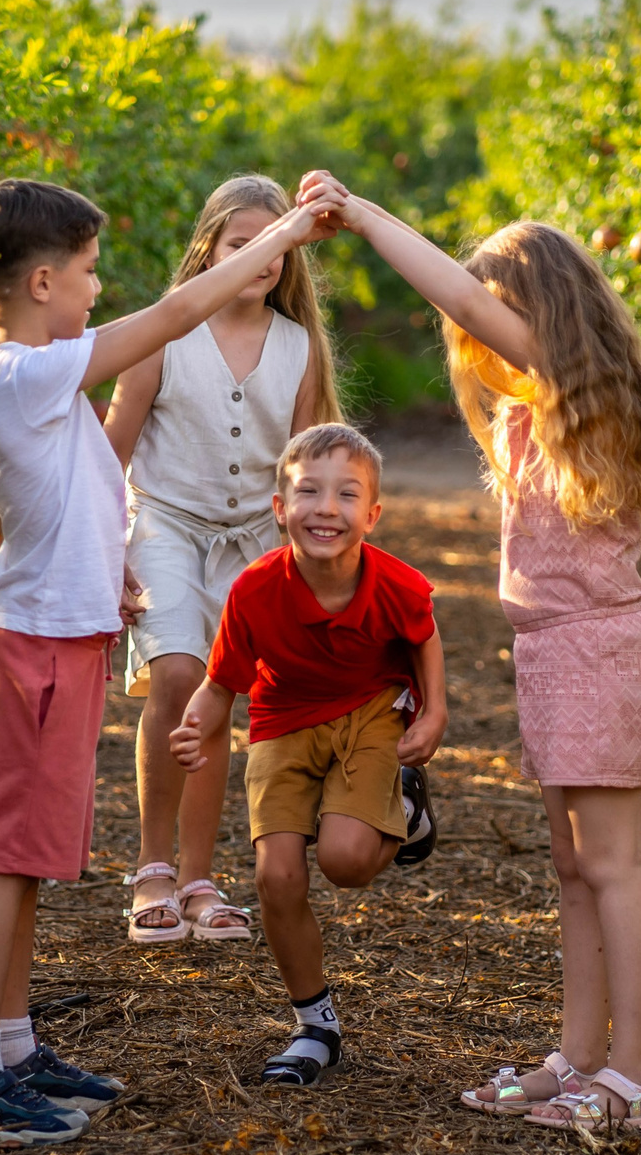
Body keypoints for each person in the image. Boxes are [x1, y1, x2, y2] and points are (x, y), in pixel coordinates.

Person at [0, 176, 342, 1147]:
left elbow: (82, 482)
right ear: (40, 282)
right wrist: (287, 230)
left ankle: (14, 1046)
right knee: (2, 865)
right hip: (32, 643)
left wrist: (105, 563)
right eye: (84, 272)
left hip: (65, 631)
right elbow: (178, 310)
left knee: (28, 867)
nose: (94, 286)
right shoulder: (26, 372)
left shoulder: (37, 370)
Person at [303, 170, 641, 1134]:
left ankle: (636, 1079)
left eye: (495, 319)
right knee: (573, 869)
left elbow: (462, 295)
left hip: (598, 651)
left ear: (540, 312)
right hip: (556, 654)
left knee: (613, 866)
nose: (474, 343)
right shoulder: (539, 409)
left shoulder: (574, 390)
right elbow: (474, 310)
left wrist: (362, 214)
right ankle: (580, 1054)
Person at [102, 176, 347, 946]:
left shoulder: (299, 347)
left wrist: (315, 568)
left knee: (220, 696)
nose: (257, 257)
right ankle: (152, 868)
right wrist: (107, 553)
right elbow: (113, 450)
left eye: (271, 244)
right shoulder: (165, 335)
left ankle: (201, 878)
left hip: (252, 542)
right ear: (210, 246)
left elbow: (305, 468)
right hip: (167, 526)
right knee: (175, 674)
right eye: (241, 242)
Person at [169, 423, 444, 1086]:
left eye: (347, 494)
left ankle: (406, 800)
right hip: (283, 720)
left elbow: (424, 635)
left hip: (371, 709)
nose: (327, 507)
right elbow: (221, 683)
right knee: (278, 876)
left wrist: (434, 711)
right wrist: (193, 724)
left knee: (346, 861)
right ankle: (315, 1023)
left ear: (372, 514)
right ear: (280, 507)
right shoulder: (254, 591)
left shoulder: (392, 583)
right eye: (309, 491)